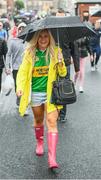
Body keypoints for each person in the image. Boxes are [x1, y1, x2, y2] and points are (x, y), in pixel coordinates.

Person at [16, 29, 67, 169]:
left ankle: (52, 159)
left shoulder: (56, 51)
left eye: (46, 36)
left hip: (52, 94)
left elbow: (63, 73)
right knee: (38, 120)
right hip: (36, 93)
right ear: (36, 39)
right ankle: (39, 142)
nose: (43, 39)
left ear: (50, 38)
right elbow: (22, 72)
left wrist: (61, 61)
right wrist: (20, 87)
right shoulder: (30, 54)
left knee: (51, 121)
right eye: (40, 37)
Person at [56, 8, 80, 122]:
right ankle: (55, 111)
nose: (60, 19)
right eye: (58, 17)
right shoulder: (51, 30)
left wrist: (77, 67)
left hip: (65, 63)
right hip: (52, 64)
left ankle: (62, 115)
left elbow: (75, 50)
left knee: (64, 86)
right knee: (53, 87)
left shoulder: (69, 31)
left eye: (62, 17)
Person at [5, 22, 27, 107]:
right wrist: (7, 67)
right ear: (18, 30)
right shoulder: (13, 41)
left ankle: (24, 102)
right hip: (16, 68)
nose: (22, 30)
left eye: (24, 28)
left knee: (26, 85)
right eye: (20, 28)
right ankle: (19, 97)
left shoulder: (29, 41)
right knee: (17, 85)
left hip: (26, 68)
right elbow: (8, 54)